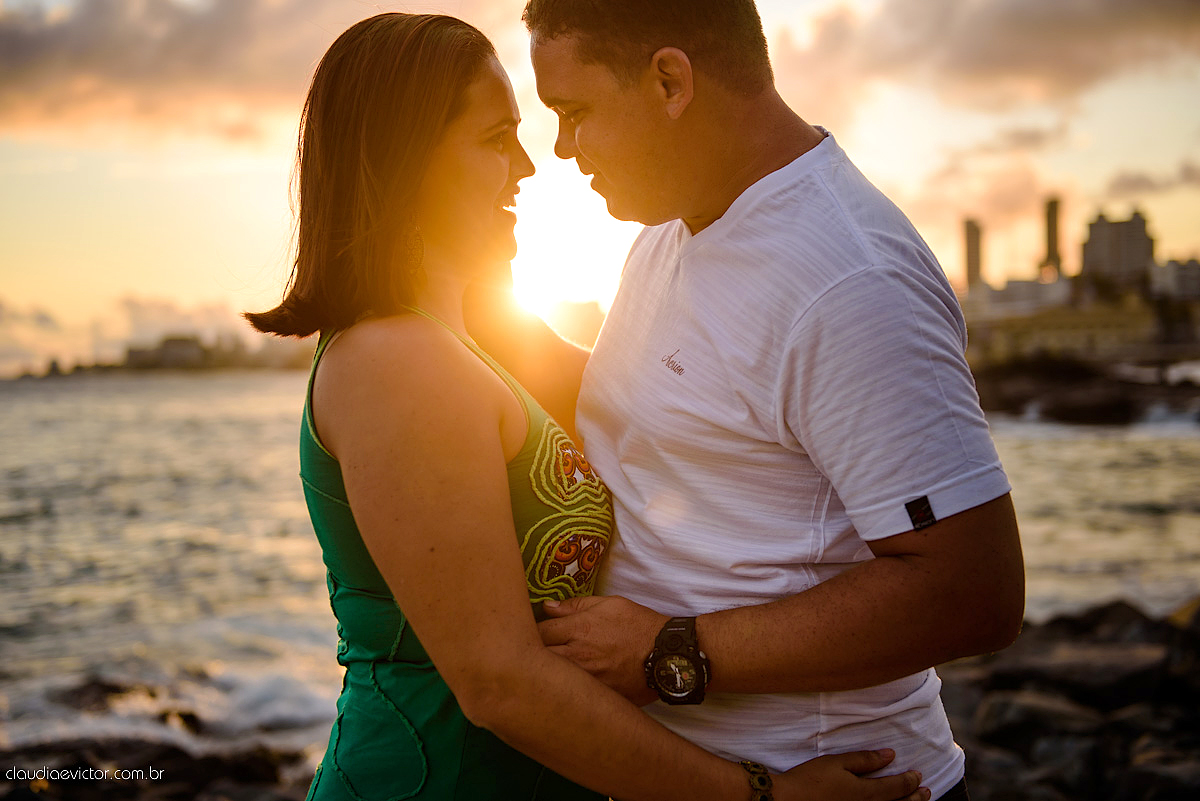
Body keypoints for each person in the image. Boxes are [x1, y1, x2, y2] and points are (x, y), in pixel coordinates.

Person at [246, 11, 933, 801]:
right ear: (406, 161)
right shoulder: (396, 362)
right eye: (496, 138)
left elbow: (669, 399)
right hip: (436, 779)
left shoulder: (476, 335)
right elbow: (500, 681)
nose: (532, 164)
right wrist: (762, 794)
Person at [467, 2, 1027, 800]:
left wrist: (672, 650)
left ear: (669, 80)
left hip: (828, 780)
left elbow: (977, 590)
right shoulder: (669, 227)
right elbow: (681, 401)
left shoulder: (849, 280)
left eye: (575, 111)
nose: (561, 149)